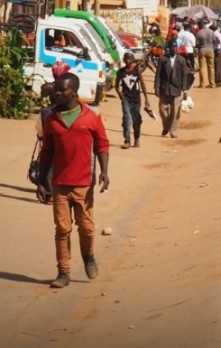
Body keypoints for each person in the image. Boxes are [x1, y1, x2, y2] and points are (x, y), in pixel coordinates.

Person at [36, 72, 110, 289]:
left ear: (74, 92)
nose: (57, 93)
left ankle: (88, 257)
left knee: (86, 227)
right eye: (56, 89)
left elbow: (102, 145)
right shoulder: (50, 119)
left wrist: (105, 172)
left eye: (62, 90)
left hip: (83, 184)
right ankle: (63, 272)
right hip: (59, 183)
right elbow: (46, 152)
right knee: (62, 229)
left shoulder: (91, 116)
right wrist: (41, 181)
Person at [114, 52, 150, 149]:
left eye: (130, 59)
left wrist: (146, 99)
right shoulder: (121, 72)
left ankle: (137, 137)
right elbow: (116, 86)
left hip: (136, 99)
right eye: (126, 59)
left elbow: (142, 84)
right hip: (126, 99)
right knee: (127, 119)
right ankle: (127, 140)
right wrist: (121, 96)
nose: (128, 61)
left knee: (136, 120)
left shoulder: (136, 71)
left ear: (133, 59)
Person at [155, 39, 190, 138]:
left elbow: (184, 76)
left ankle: (173, 130)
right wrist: (156, 87)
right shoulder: (162, 59)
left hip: (176, 89)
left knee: (175, 112)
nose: (173, 49)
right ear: (168, 48)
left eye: (175, 47)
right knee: (162, 109)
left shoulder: (181, 60)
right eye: (172, 47)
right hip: (164, 88)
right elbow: (158, 75)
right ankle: (166, 127)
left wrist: (185, 90)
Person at [194, 18, 217, 88]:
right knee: (211, 67)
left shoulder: (198, 33)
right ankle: (212, 84)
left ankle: (202, 84)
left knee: (202, 67)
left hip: (202, 50)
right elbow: (214, 40)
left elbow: (197, 44)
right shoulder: (211, 31)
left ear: (199, 26)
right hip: (210, 50)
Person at [212, 22, 221, 87]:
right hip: (215, 51)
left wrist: (220, 50)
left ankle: (218, 81)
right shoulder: (216, 33)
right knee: (217, 66)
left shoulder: (216, 34)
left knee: (217, 66)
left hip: (217, 51)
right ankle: (217, 80)